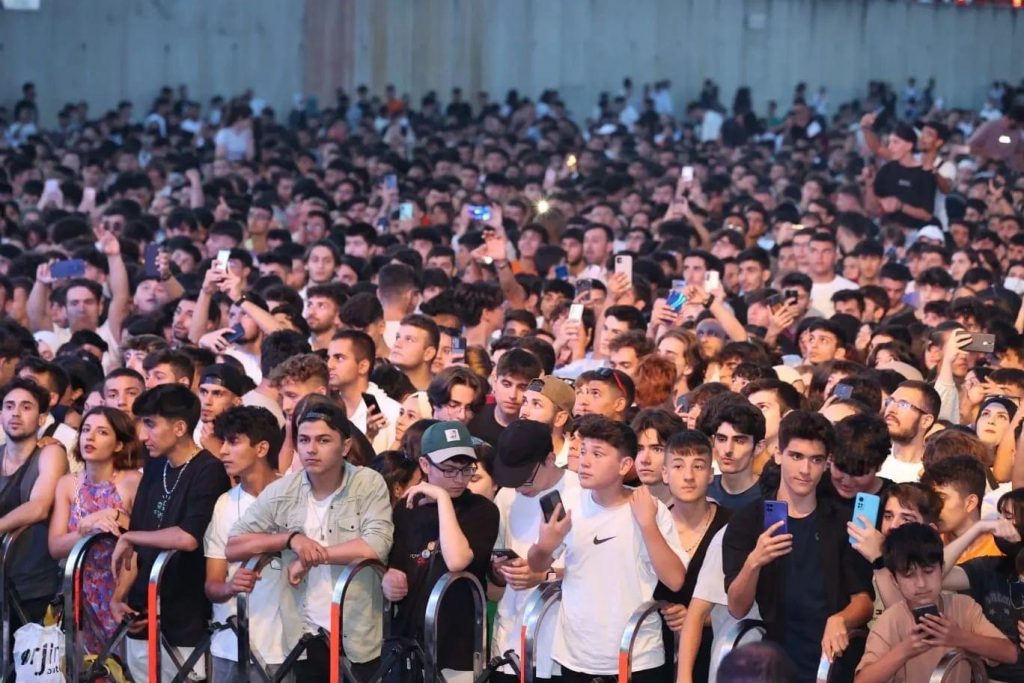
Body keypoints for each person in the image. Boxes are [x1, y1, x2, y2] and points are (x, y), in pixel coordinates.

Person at [225, 400, 394, 682]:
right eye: (304, 440)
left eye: (323, 440)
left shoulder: (367, 483)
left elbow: (376, 545)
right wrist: (290, 539)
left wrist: (312, 556)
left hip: (356, 631)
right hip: (303, 632)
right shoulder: (284, 489)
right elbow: (233, 546)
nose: (311, 449)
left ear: (345, 446)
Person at [527, 416, 685, 681]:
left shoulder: (649, 507)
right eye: (583, 451)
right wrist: (545, 545)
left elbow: (675, 580)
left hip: (637, 654)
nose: (585, 461)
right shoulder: (569, 503)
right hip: (575, 654)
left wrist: (647, 525)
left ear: (624, 465)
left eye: (597, 454)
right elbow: (536, 565)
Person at [724, 411, 873, 683]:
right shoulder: (748, 520)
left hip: (834, 658)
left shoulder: (841, 522)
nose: (805, 470)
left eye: (816, 460)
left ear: (827, 463)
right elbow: (737, 607)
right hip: (775, 661)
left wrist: (841, 619)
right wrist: (754, 562)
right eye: (796, 456)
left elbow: (863, 602)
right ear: (778, 454)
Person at [110, 384, 231, 683]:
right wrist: (119, 597)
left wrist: (130, 537)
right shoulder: (155, 466)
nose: (142, 435)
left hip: (185, 615)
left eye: (151, 424)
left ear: (179, 428)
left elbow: (188, 537)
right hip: (141, 610)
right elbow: (136, 539)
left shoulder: (209, 470)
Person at [382, 421, 499, 682]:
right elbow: (398, 564)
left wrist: (442, 499)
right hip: (409, 638)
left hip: (459, 642)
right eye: (448, 470)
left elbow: (457, 560)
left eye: (466, 470)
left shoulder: (482, 510)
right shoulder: (407, 508)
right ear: (425, 465)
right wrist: (389, 579)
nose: (459, 479)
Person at [854, 523, 1016, 683]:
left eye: (928, 572)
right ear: (895, 580)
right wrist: (906, 649)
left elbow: (1010, 653)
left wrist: (959, 637)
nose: (921, 584)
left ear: (942, 569)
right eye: (909, 575)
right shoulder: (890, 621)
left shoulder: (964, 606)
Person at [490, 419, 582, 683]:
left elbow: (592, 571)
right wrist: (500, 568)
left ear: (550, 459)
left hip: (561, 646)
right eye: (512, 479)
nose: (519, 487)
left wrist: (543, 576)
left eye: (526, 478)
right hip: (510, 638)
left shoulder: (581, 493)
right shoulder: (506, 496)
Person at [48, 407, 142, 654]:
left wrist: (115, 516)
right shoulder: (68, 484)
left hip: (121, 586)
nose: (90, 437)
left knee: (122, 664)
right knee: (84, 666)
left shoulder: (132, 481)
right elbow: (55, 546)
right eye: (86, 430)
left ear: (119, 444)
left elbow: (144, 535)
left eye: (102, 432)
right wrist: (87, 529)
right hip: (79, 586)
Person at [203, 406, 285, 682]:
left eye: (233, 442)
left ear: (261, 448)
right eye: (223, 442)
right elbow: (212, 585)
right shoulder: (224, 503)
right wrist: (230, 586)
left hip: (285, 648)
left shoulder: (296, 494)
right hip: (229, 645)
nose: (223, 451)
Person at [0, 378, 69, 636]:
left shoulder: (50, 453)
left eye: (26, 407)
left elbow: (39, 506)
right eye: (9, 406)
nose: (16, 413)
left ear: (41, 418)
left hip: (34, 584)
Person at [662, 430, 732, 683]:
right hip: (655, 652)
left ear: (711, 474)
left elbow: (747, 600)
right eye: (678, 466)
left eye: (698, 466)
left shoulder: (733, 526)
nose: (689, 476)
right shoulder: (652, 524)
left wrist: (703, 618)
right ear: (665, 474)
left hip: (716, 651)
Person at [921, 455, 1003, 564]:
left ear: (970, 503)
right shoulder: (924, 547)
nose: (933, 505)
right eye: (931, 498)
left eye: (941, 498)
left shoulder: (1001, 551)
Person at [468, 348, 542, 447]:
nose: (512, 395)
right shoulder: (473, 419)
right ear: (495, 382)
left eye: (522, 387)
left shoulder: (537, 433)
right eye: (506, 384)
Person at [702, 401, 766, 510]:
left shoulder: (771, 495)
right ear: (713, 441)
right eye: (721, 439)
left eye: (739, 441)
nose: (728, 450)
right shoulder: (702, 491)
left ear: (758, 447)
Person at [880, 381, 940, 483]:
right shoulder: (872, 459)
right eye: (890, 401)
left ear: (926, 421)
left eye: (903, 404)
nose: (891, 409)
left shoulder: (932, 474)